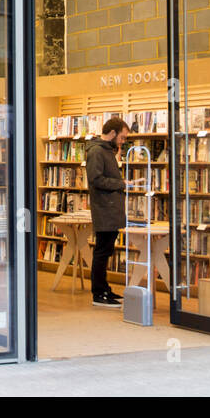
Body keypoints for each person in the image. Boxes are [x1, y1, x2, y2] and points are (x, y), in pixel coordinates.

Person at [85, 117, 129, 307]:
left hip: (111, 209)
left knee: (106, 250)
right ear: (112, 133)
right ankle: (99, 293)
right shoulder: (96, 151)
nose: (123, 141)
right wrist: (121, 183)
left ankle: (104, 289)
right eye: (122, 137)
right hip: (104, 209)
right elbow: (95, 179)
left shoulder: (107, 150)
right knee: (102, 252)